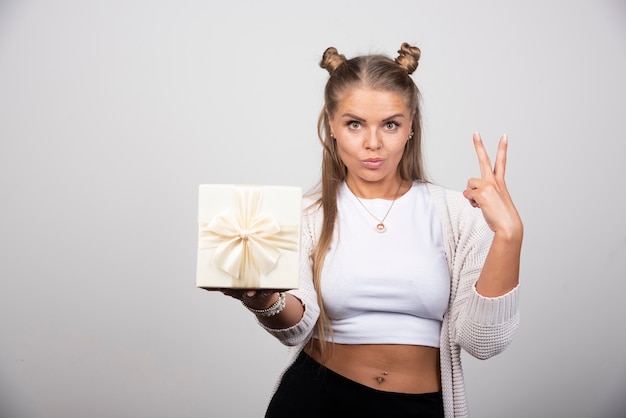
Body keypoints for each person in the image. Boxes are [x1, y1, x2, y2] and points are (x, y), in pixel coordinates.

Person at [219, 42, 523, 418]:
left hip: (418, 407)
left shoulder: (460, 214)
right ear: (331, 125)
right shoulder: (306, 215)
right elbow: (297, 327)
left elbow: (483, 341)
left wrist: (509, 235)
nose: (373, 144)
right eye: (354, 124)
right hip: (315, 401)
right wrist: (262, 299)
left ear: (411, 126)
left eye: (391, 124)